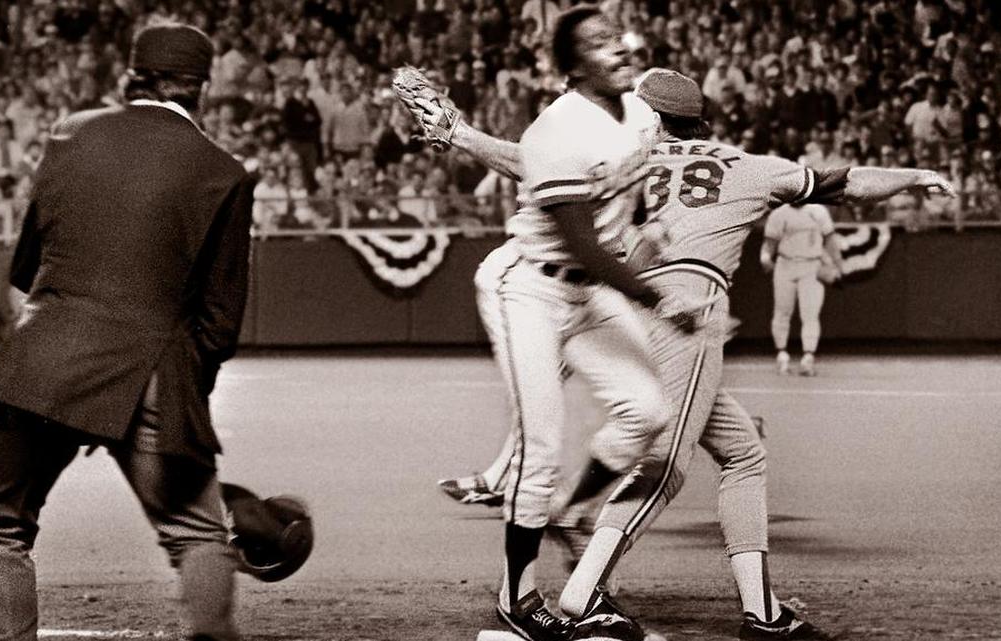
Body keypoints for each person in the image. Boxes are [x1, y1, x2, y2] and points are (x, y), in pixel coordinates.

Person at [405, 67, 954, 639]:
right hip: (686, 308)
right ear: (700, 121)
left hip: (624, 302)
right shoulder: (745, 165)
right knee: (664, 464)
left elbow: (531, 164)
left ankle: (761, 612)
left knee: (744, 453)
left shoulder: (623, 159)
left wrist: (462, 134)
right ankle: (584, 590)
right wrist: (914, 174)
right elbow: (844, 181)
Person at [0, 23, 255, 641]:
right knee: (200, 535)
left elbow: (25, 268)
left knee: (0, 528)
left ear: (133, 75)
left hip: (45, 358)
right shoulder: (224, 172)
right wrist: (174, 408)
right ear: (201, 88)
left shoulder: (70, 135)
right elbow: (219, 326)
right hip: (149, 369)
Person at [467, 7, 709, 641]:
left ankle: (572, 514)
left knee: (647, 410)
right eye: (598, 43)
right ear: (572, 68)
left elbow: (631, 205)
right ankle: (516, 599)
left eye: (617, 36)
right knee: (538, 450)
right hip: (532, 290)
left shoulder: (639, 114)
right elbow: (583, 248)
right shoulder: (557, 131)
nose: (619, 48)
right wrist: (661, 299)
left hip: (590, 292)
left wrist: (650, 230)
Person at [760, 202, 845, 377]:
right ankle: (782, 355)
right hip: (785, 264)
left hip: (812, 265)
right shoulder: (779, 213)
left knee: (810, 314)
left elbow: (830, 240)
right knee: (782, 312)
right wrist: (765, 257)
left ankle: (808, 357)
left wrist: (838, 264)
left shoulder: (818, 211)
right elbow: (769, 243)